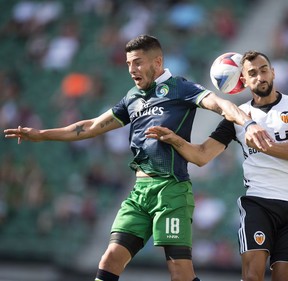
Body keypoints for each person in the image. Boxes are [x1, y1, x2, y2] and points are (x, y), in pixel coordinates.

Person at [3, 35, 269, 281]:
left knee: (180, 271)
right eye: (129, 63)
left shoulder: (180, 88)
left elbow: (220, 104)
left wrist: (248, 124)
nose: (131, 69)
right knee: (111, 258)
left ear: (158, 62)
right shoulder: (132, 97)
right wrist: (42, 134)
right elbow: (93, 126)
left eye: (138, 63)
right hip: (139, 193)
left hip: (171, 190)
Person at [146, 51, 288, 281]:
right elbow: (202, 155)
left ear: (273, 72)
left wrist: (259, 143)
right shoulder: (238, 117)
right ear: (243, 81)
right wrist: (174, 139)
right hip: (260, 202)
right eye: (252, 73)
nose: (260, 76)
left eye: (264, 70)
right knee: (251, 276)